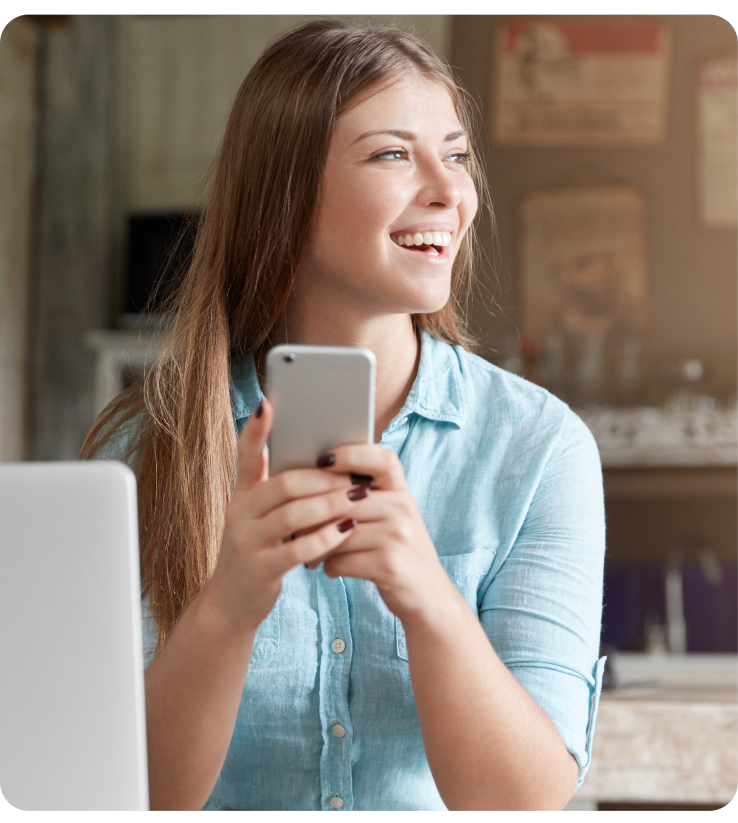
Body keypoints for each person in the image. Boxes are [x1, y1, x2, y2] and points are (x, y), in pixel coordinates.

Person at [81, 21, 605, 811]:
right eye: (394, 153)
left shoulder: (538, 449)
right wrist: (228, 606)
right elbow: (119, 795)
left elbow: (523, 800)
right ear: (285, 193)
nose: (448, 190)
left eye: (456, 154)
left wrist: (427, 593)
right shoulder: (146, 446)